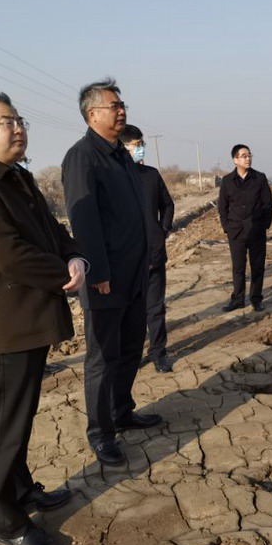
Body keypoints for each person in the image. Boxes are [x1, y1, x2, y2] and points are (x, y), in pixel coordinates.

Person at [0, 93, 86, 545]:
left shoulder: (18, 178)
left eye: (20, 120)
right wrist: (62, 273)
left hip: (28, 317)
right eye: (6, 122)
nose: (18, 128)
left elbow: (52, 229)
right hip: (4, 325)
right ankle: (7, 521)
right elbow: (7, 254)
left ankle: (23, 492)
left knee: (21, 417)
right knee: (6, 426)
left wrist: (74, 255)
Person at [61, 78, 163, 468]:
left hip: (136, 272)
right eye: (114, 106)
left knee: (130, 348)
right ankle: (101, 434)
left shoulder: (120, 155)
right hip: (105, 278)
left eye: (123, 106)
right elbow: (84, 218)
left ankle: (122, 412)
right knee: (102, 358)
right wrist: (98, 272)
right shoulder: (83, 156)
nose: (121, 111)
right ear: (92, 114)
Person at [120, 124, 175, 373]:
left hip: (153, 253)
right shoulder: (113, 178)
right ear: (123, 148)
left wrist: (162, 231)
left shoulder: (151, 175)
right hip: (126, 258)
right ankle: (131, 355)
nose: (141, 148)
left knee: (155, 308)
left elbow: (168, 204)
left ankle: (158, 353)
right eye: (136, 145)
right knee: (130, 311)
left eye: (142, 144)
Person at [217, 144, 272, 312]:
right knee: (238, 268)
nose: (248, 158)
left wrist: (264, 225)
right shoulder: (227, 180)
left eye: (249, 155)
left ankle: (256, 299)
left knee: (257, 267)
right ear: (235, 160)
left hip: (256, 230)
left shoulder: (259, 178)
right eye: (243, 156)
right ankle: (238, 299)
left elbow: (268, 204)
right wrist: (227, 227)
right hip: (236, 231)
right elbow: (222, 207)